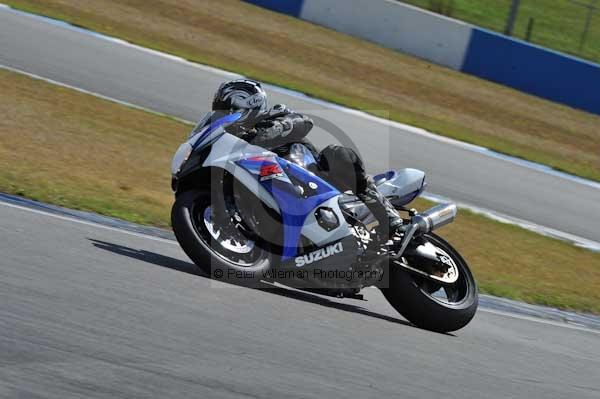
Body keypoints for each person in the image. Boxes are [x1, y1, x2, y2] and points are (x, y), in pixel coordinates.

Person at [204, 79, 403, 239]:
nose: (221, 113)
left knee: (337, 154)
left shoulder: (274, 116)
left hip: (317, 182)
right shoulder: (233, 141)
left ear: (246, 103)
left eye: (225, 107)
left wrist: (267, 132)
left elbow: (304, 122)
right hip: (279, 197)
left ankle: (389, 217)